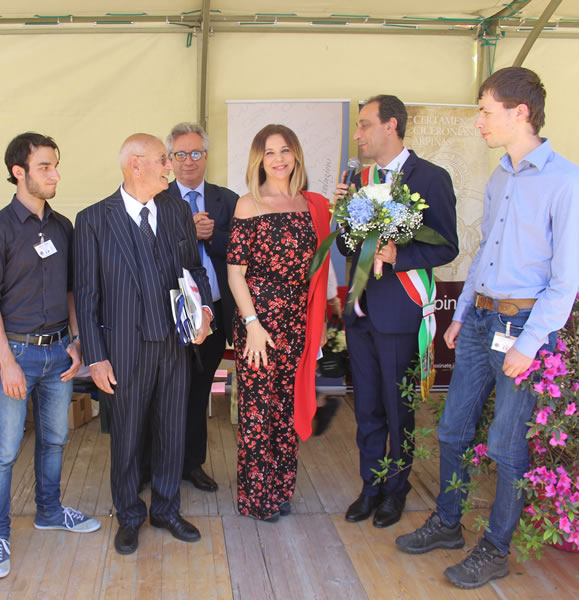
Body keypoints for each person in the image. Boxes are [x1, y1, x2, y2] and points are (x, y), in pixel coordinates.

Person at [396, 67, 579, 589]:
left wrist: (530, 344)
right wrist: (462, 314)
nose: (479, 121)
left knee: (507, 444)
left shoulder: (568, 182)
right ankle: (447, 523)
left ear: (520, 112)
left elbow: (564, 281)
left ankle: (496, 548)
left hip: (524, 326)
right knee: (452, 428)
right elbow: (487, 249)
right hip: (481, 318)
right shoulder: (501, 174)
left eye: (486, 111)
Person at [74, 133, 212, 555]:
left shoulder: (175, 209)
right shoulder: (93, 219)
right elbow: (86, 295)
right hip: (123, 351)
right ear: (136, 165)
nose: (172, 166)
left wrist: (204, 311)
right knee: (127, 437)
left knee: (172, 431)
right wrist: (96, 358)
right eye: (163, 159)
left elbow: (194, 270)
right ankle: (130, 515)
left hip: (175, 343)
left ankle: (167, 510)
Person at [0, 132, 101, 579]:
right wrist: (5, 361)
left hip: (59, 353)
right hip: (16, 354)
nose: (55, 175)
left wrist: (77, 341)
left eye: (55, 165)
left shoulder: (63, 227)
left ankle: (49, 511)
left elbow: (71, 290)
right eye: (45, 167)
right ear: (18, 172)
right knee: (3, 451)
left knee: (55, 440)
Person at [335, 95, 458, 529]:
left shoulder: (431, 177)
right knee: (366, 405)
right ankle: (370, 486)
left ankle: (396, 488)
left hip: (401, 311)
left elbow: (446, 245)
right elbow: (345, 247)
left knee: (396, 406)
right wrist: (343, 217)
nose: (358, 135)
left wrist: (397, 255)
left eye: (364, 125)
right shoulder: (358, 179)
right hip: (362, 310)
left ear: (391, 125)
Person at [227, 124, 329, 522]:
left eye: (285, 150)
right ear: (259, 159)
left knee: (287, 406)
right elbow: (235, 273)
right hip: (259, 322)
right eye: (269, 152)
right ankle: (256, 497)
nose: (278, 159)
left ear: (296, 154)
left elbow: (319, 271)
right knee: (257, 409)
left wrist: (319, 321)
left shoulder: (311, 205)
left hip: (297, 318)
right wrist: (252, 324)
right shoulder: (248, 204)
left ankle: (281, 488)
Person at [165, 122, 237, 492]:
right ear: (169, 160)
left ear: (206, 156)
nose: (188, 161)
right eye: (180, 154)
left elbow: (244, 250)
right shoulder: (156, 198)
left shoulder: (228, 199)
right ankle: (160, 464)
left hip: (214, 313)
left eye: (195, 153)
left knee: (199, 390)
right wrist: (185, 234)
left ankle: (192, 464)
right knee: (166, 391)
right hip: (170, 315)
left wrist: (213, 236)